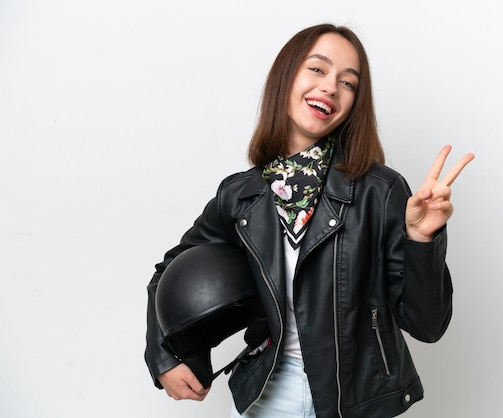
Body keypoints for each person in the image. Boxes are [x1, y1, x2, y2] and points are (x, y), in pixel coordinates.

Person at [145, 23, 474, 418]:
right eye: (317, 69)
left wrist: (422, 238)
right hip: (266, 400)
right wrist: (166, 357)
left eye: (348, 83)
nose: (331, 87)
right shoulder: (240, 195)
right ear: (287, 76)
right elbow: (170, 270)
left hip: (359, 405)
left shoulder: (381, 192)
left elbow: (427, 326)